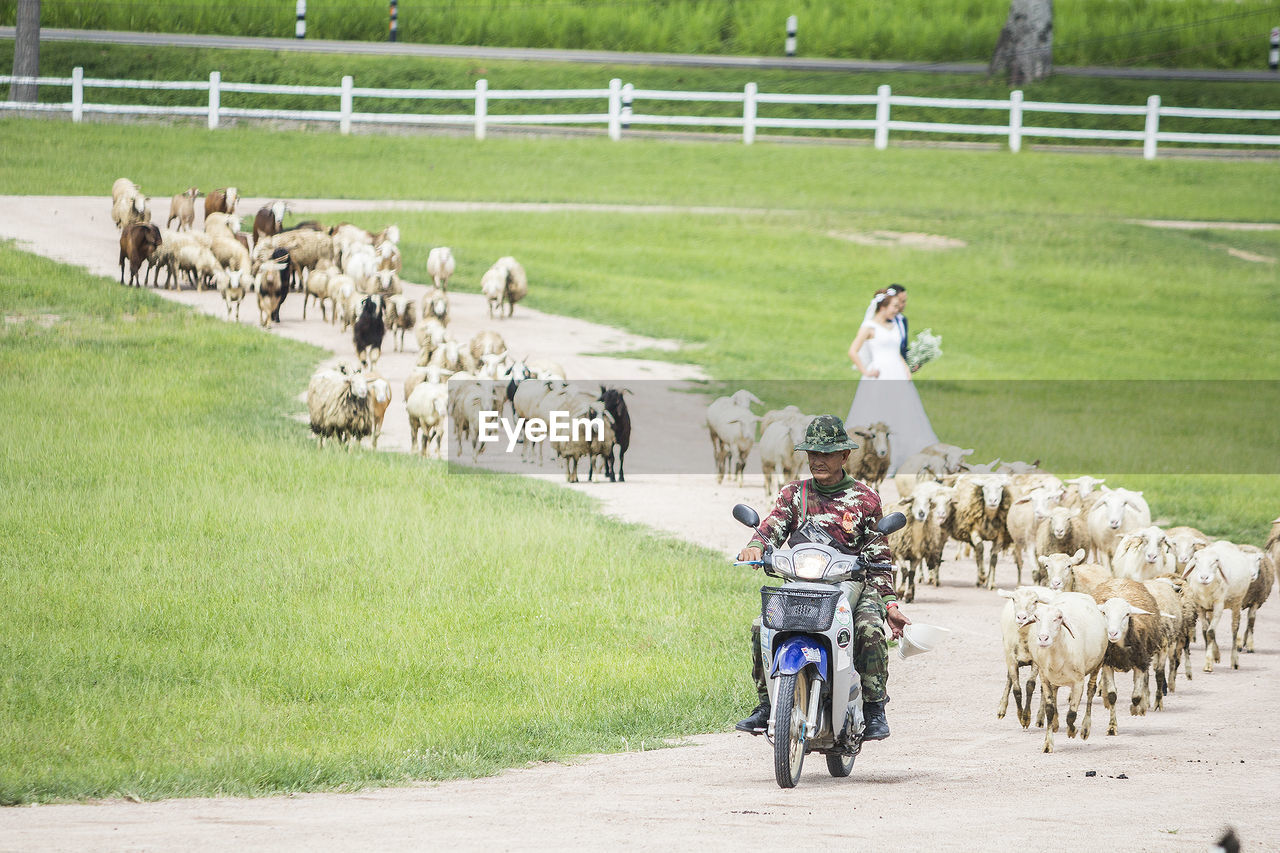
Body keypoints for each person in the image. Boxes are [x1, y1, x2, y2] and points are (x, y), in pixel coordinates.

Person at [734, 414, 911, 742]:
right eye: (813, 454)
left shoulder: (865, 499)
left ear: (844, 456)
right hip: (802, 583)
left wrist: (890, 603)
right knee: (762, 625)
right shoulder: (794, 495)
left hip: (853, 582)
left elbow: (879, 557)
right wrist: (755, 545)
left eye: (826, 454)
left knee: (870, 629)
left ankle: (874, 710)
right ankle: (764, 704)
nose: (818, 460)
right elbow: (771, 526)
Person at [846, 288, 938, 474]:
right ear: (883, 306)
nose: (898, 310)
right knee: (878, 413)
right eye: (894, 306)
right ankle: (873, 460)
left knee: (903, 415)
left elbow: (898, 352)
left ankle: (903, 459)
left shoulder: (895, 325)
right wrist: (866, 370)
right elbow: (853, 351)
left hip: (897, 373)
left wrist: (906, 368)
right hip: (879, 375)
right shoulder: (870, 327)